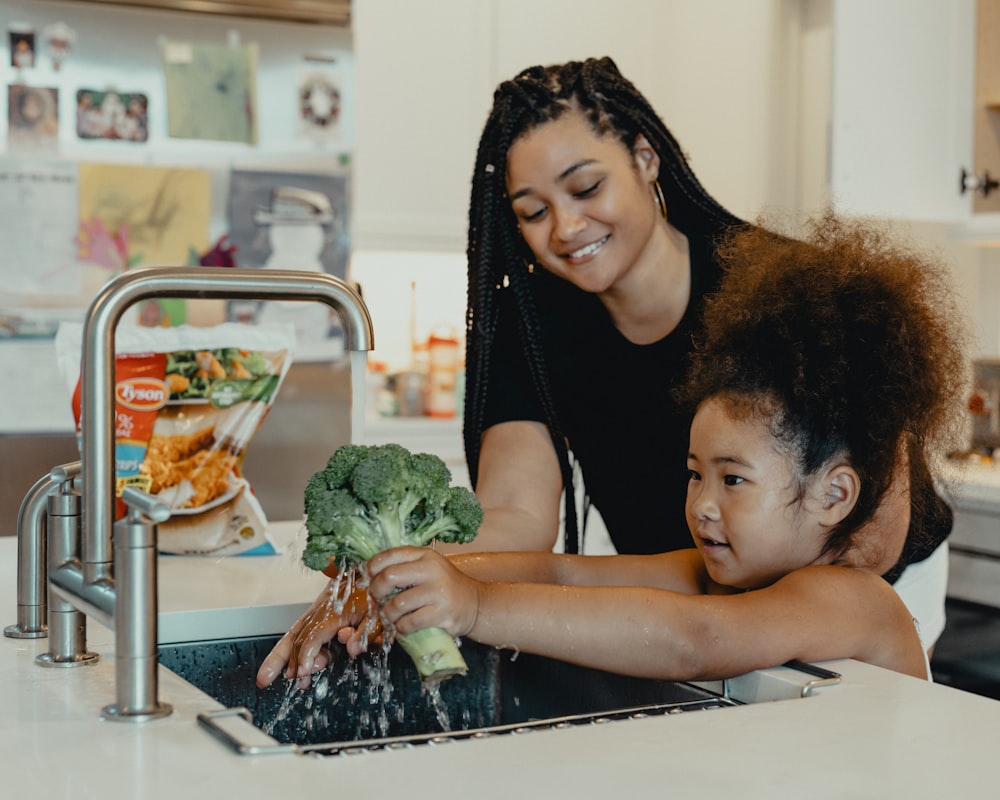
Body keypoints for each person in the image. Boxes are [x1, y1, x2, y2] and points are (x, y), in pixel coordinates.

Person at [257, 57, 958, 687]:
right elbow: (530, 533)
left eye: (586, 187)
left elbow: (735, 617)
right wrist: (401, 577)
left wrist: (473, 601)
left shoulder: (782, 296)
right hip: (714, 576)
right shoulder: (535, 329)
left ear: (645, 159)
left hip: (843, 577)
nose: (564, 228)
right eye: (532, 211)